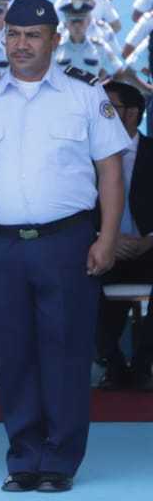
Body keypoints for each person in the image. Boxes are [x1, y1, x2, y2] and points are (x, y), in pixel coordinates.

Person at [0, 0, 128, 493]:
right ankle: (24, 456)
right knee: (13, 352)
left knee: (67, 351)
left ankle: (60, 460)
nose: (21, 44)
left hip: (66, 242)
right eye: (13, 34)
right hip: (2, 244)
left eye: (32, 35)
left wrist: (108, 237)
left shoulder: (84, 94)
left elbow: (110, 171)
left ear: (54, 39)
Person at [94, 81, 153, 390]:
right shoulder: (83, 156)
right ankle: (113, 364)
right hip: (102, 248)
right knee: (69, 281)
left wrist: (149, 240)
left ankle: (144, 365)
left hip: (150, 248)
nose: (99, 113)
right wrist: (106, 239)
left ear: (132, 114)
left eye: (109, 107)